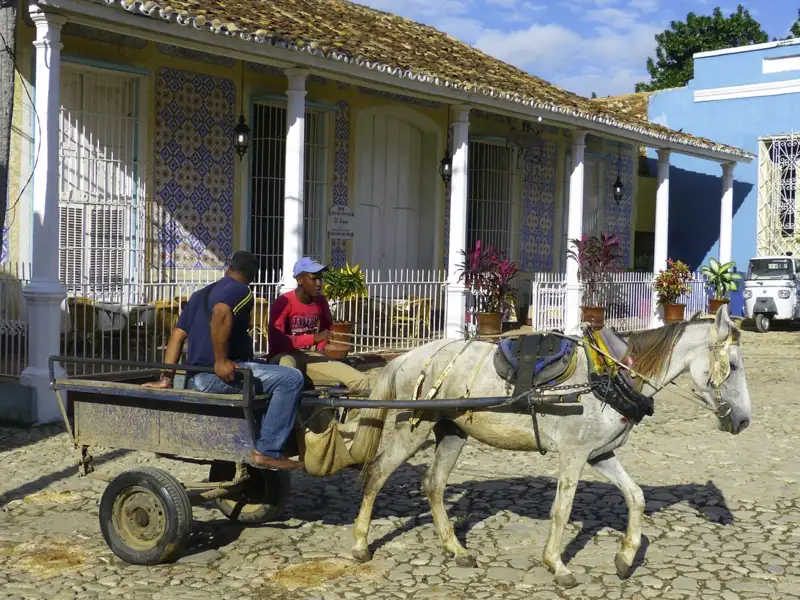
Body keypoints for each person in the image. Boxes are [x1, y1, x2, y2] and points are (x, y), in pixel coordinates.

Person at [142, 251, 305, 471]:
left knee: (271, 369)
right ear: (253, 276)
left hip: (196, 377)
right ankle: (268, 451)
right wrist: (220, 361)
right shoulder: (242, 291)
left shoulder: (200, 294)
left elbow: (177, 335)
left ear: (228, 267)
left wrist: (166, 378)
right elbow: (221, 312)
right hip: (214, 376)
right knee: (291, 379)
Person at [267, 257, 371, 391]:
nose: (319, 283)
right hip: (283, 357)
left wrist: (321, 346)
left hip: (309, 356)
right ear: (300, 279)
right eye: (313, 278)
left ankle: (350, 411)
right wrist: (313, 339)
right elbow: (276, 341)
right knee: (290, 378)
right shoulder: (283, 302)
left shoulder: (320, 301)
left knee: (361, 380)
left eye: (320, 278)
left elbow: (327, 327)